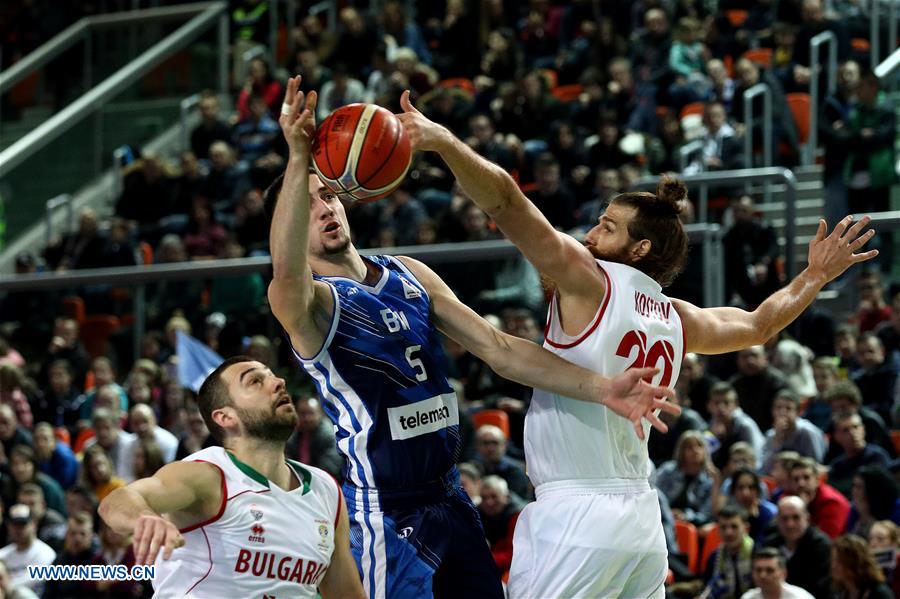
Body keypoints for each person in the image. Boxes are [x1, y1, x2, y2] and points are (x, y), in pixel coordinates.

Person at [399, 88, 876, 598]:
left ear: (639, 247)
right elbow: (760, 324)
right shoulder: (678, 317)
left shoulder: (589, 280)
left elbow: (507, 202)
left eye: (605, 226)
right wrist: (814, 277)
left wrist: (446, 143)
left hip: (577, 517)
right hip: (641, 522)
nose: (589, 233)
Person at [267, 77, 677, 599]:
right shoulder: (307, 303)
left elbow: (499, 348)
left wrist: (602, 387)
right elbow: (285, 268)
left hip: (450, 496)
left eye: (328, 194)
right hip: (387, 509)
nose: (325, 207)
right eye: (308, 204)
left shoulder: (409, 273)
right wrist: (299, 155)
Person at [98, 356, 365, 598]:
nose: (278, 382)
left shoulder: (325, 489)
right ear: (226, 417)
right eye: (255, 381)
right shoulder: (209, 475)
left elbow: (345, 594)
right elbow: (118, 501)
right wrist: (145, 518)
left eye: (272, 375)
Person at [763, 496, 832, 597]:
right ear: (777, 520)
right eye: (784, 518)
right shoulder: (770, 544)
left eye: (796, 517)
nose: (790, 524)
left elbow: (823, 588)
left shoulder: (821, 546)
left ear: (807, 518)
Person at [0, 504, 56, 595]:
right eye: (14, 525)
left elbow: (30, 581)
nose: (18, 529)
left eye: (22, 524)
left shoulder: (45, 553)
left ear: (34, 524)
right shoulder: (3, 553)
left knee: (21, 592)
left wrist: (4, 586)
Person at [831, 534, 895, 599]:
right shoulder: (840, 591)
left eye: (838, 561)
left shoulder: (880, 594)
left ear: (854, 563)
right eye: (833, 560)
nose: (833, 566)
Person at [739, 547, 814, 599]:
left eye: (770, 570)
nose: (763, 575)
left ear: (783, 573)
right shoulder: (747, 597)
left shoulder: (800, 597)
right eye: (758, 570)